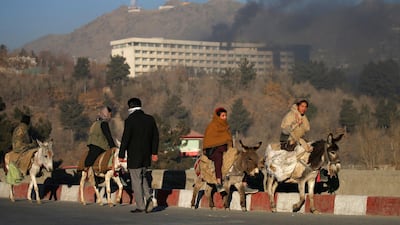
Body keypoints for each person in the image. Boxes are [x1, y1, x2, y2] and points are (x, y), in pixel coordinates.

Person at [119, 97, 159, 213]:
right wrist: (154, 152)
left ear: (130, 107)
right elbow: (155, 137)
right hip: (146, 155)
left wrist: (121, 154)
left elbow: (126, 138)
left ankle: (141, 206)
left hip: (134, 155)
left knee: (136, 180)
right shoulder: (150, 119)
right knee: (143, 177)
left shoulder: (130, 120)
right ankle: (149, 198)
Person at [202, 107, 232, 192]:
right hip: (213, 150)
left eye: (225, 115)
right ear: (218, 117)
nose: (225, 118)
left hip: (225, 149)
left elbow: (229, 139)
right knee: (218, 158)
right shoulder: (212, 126)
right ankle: (218, 182)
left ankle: (243, 182)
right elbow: (208, 141)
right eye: (223, 116)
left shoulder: (226, 127)